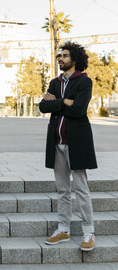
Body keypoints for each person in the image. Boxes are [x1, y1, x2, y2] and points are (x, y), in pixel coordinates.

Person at [39, 41, 97, 251]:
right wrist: (64, 102)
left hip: (77, 142)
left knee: (81, 189)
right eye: (59, 56)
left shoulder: (84, 81)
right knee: (62, 189)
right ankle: (63, 229)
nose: (60, 59)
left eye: (64, 55)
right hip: (56, 142)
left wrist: (57, 103)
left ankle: (88, 232)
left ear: (74, 59)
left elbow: (79, 110)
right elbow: (43, 106)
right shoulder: (55, 82)